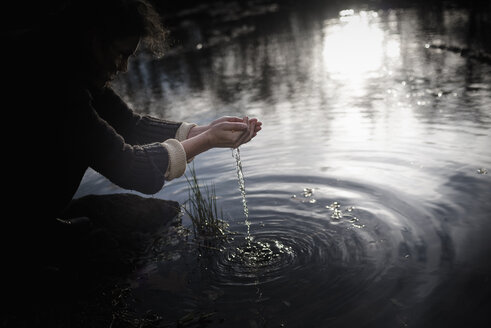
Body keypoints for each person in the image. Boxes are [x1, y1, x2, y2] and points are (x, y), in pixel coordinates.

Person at [3, 0, 261, 283]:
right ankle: (26, 242)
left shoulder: (67, 64)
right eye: (120, 53)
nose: (124, 67)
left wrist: (204, 129)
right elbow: (130, 168)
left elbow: (129, 125)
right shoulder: (50, 84)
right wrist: (209, 140)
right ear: (93, 39)